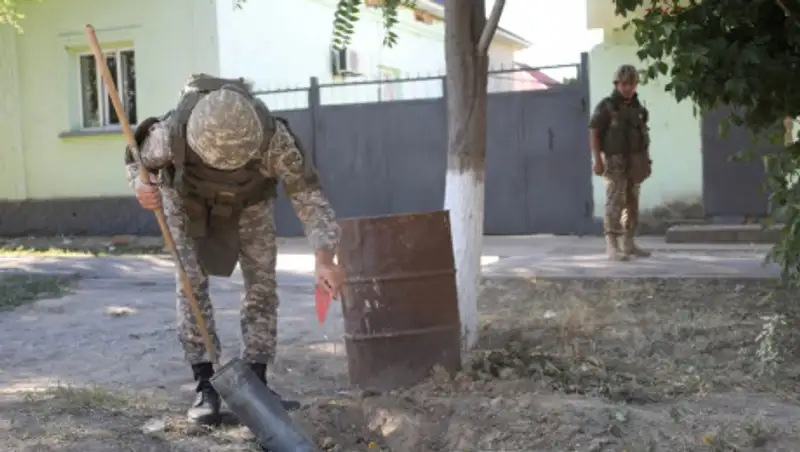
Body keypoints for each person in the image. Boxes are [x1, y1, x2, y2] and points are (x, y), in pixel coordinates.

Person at [124, 74, 346, 425]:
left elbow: (308, 196)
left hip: (250, 202)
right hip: (185, 199)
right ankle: (205, 385)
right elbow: (138, 161)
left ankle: (257, 383)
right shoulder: (170, 134)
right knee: (191, 286)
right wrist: (140, 184)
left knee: (262, 286)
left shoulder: (273, 139)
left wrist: (325, 258)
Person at [588, 64, 653, 261]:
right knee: (615, 201)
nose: (628, 88)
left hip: (635, 160)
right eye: (624, 84)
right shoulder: (607, 106)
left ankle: (629, 243)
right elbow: (594, 132)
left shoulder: (638, 108)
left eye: (631, 84)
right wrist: (597, 160)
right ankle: (612, 246)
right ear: (617, 84)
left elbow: (642, 135)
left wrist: (646, 161)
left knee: (633, 201)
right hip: (615, 160)